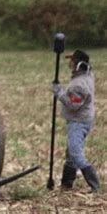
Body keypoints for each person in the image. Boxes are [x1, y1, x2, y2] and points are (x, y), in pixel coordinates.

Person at [51, 50, 99, 192]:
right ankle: (66, 184)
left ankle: (94, 183)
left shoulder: (79, 84)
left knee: (75, 152)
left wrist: (58, 92)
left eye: (72, 60)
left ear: (78, 64)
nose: (69, 63)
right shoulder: (86, 76)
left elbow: (73, 105)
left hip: (79, 122)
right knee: (70, 153)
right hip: (79, 120)